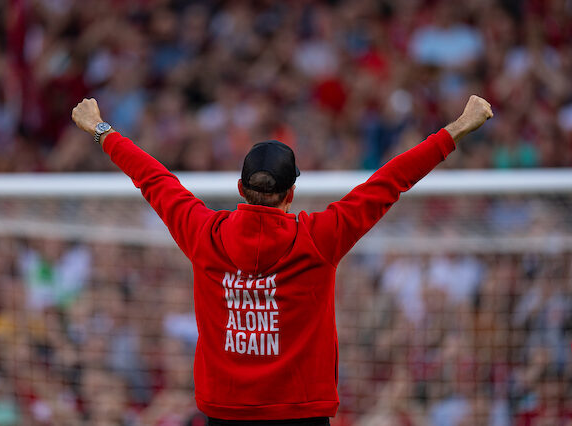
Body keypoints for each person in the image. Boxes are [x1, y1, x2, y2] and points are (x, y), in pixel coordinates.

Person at [71, 95, 493, 425]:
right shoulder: (320, 237)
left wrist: (100, 129)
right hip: (301, 413)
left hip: (224, 411)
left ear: (239, 187)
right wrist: (455, 129)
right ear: (291, 193)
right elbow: (389, 182)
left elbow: (153, 178)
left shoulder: (204, 232)